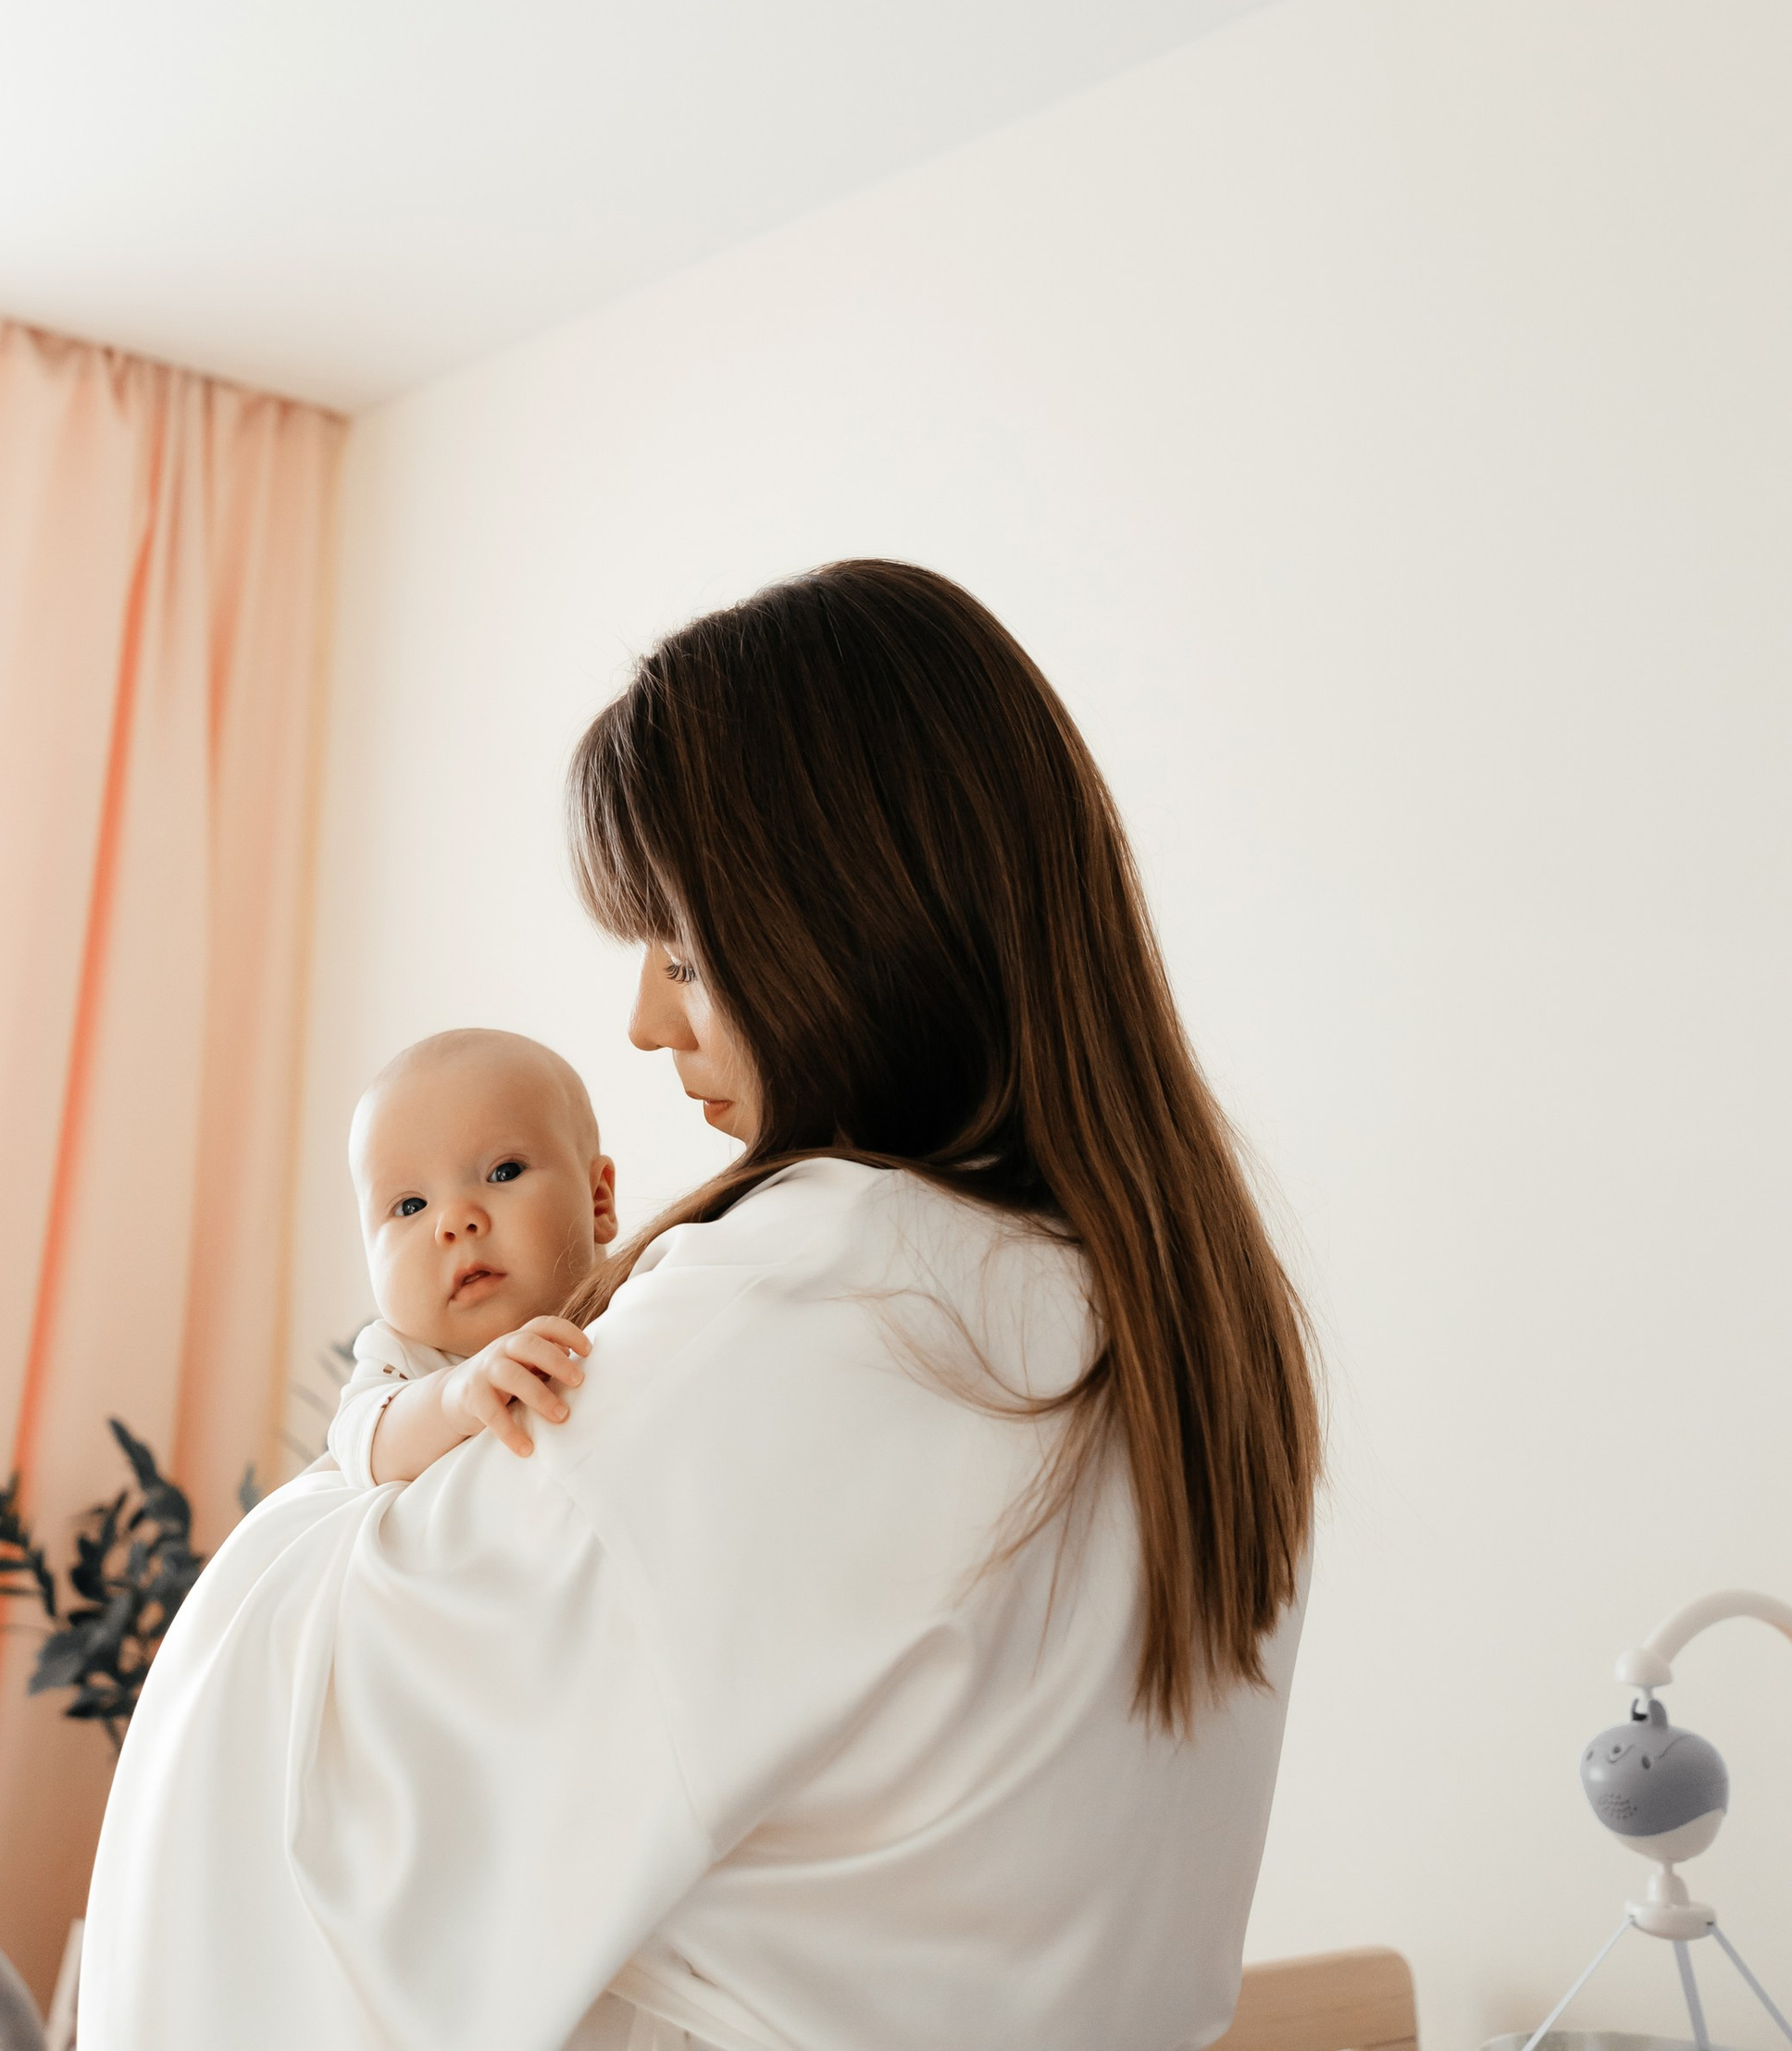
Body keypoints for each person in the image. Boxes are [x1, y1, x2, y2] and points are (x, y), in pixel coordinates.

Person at [82, 562, 1321, 2051]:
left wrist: (382, 1452)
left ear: (853, 920)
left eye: (680, 948)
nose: (645, 1020)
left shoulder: (836, 1282)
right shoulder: (1189, 1312)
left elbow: (342, 1714)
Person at [324, 1027, 612, 1487]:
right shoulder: (402, 1357)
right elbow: (363, 1446)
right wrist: (450, 1398)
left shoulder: (633, 1300)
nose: (455, 1221)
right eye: (411, 1206)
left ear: (598, 1202)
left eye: (503, 1172)